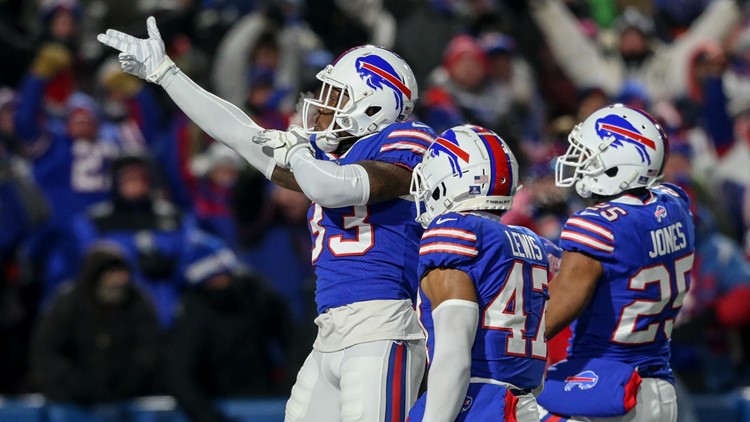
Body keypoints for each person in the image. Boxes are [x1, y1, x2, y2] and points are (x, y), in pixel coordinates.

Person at [98, 17, 436, 421]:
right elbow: (240, 134)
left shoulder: (409, 141)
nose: (322, 104)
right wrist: (167, 74)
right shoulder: (324, 157)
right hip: (330, 328)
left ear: (373, 104)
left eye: (336, 95)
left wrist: (295, 153)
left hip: (384, 327)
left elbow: (338, 188)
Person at [537, 104, 696, 421]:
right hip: (659, 391)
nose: (579, 163)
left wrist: (491, 334)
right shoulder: (676, 204)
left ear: (617, 165)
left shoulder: (596, 226)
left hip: (599, 389)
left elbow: (549, 316)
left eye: (589, 156)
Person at [406, 125, 549, 422]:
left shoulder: (456, 232)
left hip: (477, 403)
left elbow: (454, 354)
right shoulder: (529, 241)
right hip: (522, 404)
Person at [164, 232, 295, 422]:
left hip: (264, 399)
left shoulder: (255, 296)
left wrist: (292, 383)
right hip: (219, 402)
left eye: (225, 274)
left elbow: (292, 338)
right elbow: (179, 373)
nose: (222, 280)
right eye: (214, 277)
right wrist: (208, 416)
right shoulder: (194, 313)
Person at [30, 241, 160, 405]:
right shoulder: (68, 303)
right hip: (72, 402)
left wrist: (128, 382)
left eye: (122, 273)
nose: (119, 280)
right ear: (95, 275)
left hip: (127, 401)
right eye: (112, 273)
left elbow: (148, 349)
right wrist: (76, 384)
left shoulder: (138, 303)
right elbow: (46, 350)